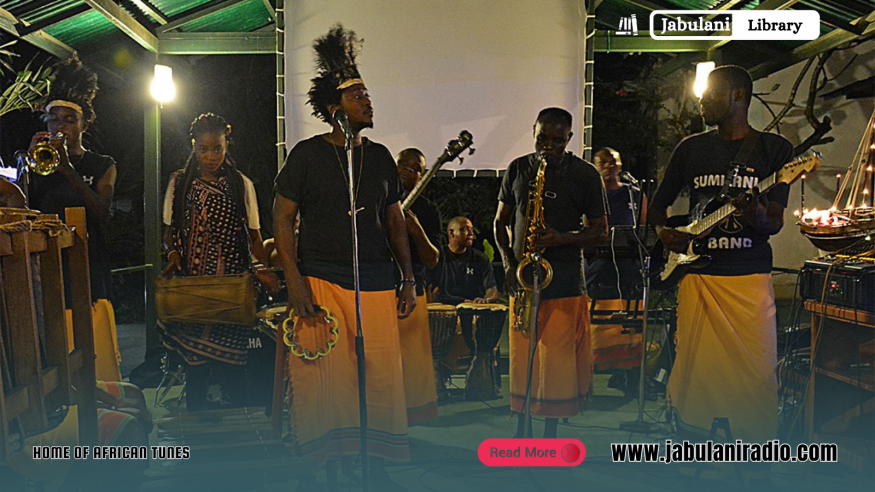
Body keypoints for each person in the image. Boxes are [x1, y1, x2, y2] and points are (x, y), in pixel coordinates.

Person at [272, 25, 415, 491]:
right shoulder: (307, 155)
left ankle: (375, 463)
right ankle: (329, 465)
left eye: (367, 94)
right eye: (358, 96)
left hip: (376, 281)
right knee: (328, 381)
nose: (368, 101)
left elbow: (395, 221)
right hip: (321, 282)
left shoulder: (381, 157)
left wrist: (408, 278)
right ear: (335, 109)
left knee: (380, 379)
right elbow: (282, 219)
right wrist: (293, 279)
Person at [649, 65, 792, 486]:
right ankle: (698, 453)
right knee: (697, 372)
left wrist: (756, 213)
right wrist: (663, 232)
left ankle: (752, 459)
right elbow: (657, 206)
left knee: (755, 373)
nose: (702, 101)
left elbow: (774, 223)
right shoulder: (691, 149)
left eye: (710, 94)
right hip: (699, 278)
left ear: (737, 95)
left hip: (749, 280)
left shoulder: (775, 150)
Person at [494, 107, 607, 439]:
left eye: (557, 141)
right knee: (521, 360)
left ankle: (550, 437)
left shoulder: (585, 175)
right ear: (533, 131)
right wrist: (508, 265)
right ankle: (521, 431)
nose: (548, 148)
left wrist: (562, 238)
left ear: (569, 138)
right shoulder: (518, 168)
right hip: (523, 279)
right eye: (542, 139)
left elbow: (600, 232)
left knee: (556, 364)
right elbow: (499, 222)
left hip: (565, 280)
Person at [160, 112, 277, 411]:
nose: (211, 156)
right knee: (195, 367)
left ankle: (243, 428)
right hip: (193, 288)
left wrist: (261, 269)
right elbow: (169, 233)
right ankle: (197, 426)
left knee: (234, 365)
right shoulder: (179, 183)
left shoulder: (240, 184)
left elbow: (254, 236)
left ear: (226, 146)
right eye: (204, 149)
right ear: (193, 146)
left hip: (231, 289)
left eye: (217, 149)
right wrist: (172, 255)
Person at [586, 148, 647, 385]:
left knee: (632, 315)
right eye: (604, 162)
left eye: (614, 162)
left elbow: (645, 225)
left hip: (629, 263)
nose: (610, 166)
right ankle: (590, 366)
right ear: (596, 167)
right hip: (600, 263)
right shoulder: (592, 195)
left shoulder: (634, 193)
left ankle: (630, 372)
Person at [396, 148, 441, 423]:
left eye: (416, 169)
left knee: (412, 362)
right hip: (376, 288)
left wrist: (416, 230)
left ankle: (409, 420)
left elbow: (433, 259)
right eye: (403, 164)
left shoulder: (427, 210)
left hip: (412, 292)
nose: (408, 171)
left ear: (422, 177)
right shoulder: (378, 201)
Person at [434, 216, 499, 305]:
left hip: (471, 307)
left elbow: (492, 290)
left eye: (471, 229)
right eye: (465, 229)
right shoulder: (439, 256)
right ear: (451, 233)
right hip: (444, 307)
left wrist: (485, 299)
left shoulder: (479, 258)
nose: (471, 233)